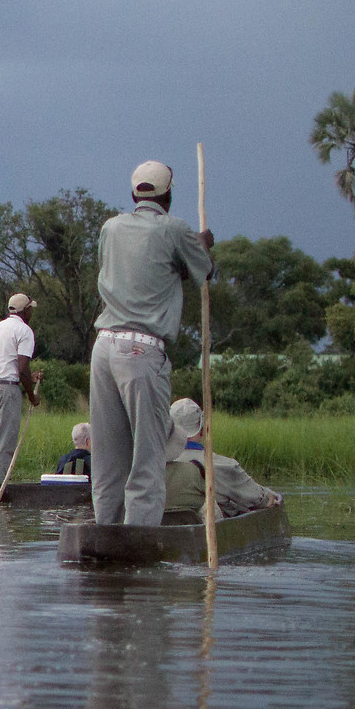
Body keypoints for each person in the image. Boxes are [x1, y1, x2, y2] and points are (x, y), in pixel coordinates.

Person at [90, 161, 215, 525]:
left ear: (134, 194)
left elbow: (121, 270)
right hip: (141, 350)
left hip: (103, 348)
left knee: (109, 460)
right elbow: (205, 271)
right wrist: (202, 245)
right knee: (147, 460)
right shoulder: (174, 229)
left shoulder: (110, 228)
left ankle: (106, 535)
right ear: (168, 194)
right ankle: (138, 545)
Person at [164, 398, 280, 517]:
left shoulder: (156, 466)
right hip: (207, 528)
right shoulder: (224, 466)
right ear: (202, 430)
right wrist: (268, 496)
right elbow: (261, 499)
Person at [0, 292, 38, 487]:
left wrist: (29, 379)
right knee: (5, 445)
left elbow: (9, 365)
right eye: (30, 309)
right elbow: (22, 367)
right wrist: (32, 396)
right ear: (25, 311)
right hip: (7, 390)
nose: (31, 312)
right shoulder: (24, 331)